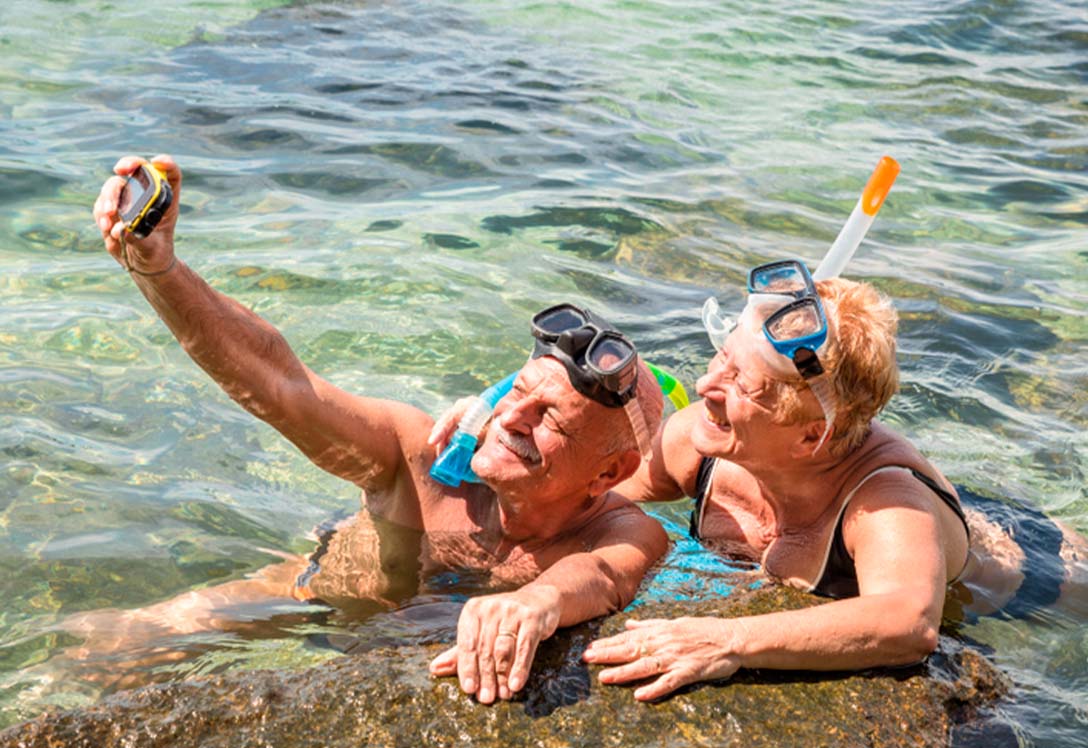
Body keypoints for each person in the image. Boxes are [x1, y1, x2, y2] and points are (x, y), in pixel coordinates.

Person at [89, 154, 667, 705]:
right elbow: (281, 385)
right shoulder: (422, 460)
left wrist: (538, 600)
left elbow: (599, 575)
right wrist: (158, 268)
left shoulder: (621, 531)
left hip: (390, 646)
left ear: (608, 473)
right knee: (110, 643)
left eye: (552, 419)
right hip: (313, 597)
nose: (512, 419)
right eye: (515, 393)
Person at [577, 261, 1087, 700]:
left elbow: (908, 623)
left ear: (811, 435)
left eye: (740, 384)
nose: (705, 386)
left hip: (1032, 567)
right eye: (722, 355)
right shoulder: (705, 438)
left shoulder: (888, 504)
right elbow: (588, 498)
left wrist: (723, 641)